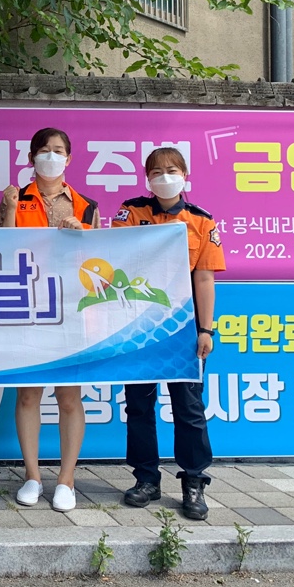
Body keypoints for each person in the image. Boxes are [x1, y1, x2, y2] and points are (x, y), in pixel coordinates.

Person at [110, 146, 223, 521]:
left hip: (183, 330)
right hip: (139, 328)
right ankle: (146, 478)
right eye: (156, 171)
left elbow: (204, 279)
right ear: (147, 178)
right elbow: (115, 260)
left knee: (189, 409)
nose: (164, 177)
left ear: (185, 175)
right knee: (139, 406)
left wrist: (205, 329)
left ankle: (194, 481)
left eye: (172, 170)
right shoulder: (131, 212)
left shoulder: (201, 220)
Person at [0, 127, 99, 513]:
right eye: (43, 150)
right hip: (28, 307)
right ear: (31, 158)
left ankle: (66, 480)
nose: (51, 157)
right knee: (28, 394)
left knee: (69, 396)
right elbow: (2, 250)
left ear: (69, 159)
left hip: (71, 310)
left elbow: (101, 260)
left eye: (58, 151)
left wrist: (81, 233)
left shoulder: (86, 205)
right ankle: (32, 476)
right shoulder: (16, 197)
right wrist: (9, 210)